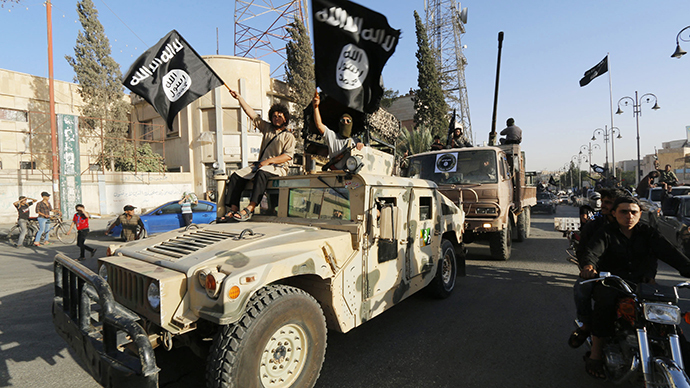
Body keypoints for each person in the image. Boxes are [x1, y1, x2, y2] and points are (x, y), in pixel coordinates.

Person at [578, 196, 690, 379]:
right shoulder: (606, 232)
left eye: (633, 212)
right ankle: (596, 355)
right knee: (604, 303)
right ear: (614, 213)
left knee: (669, 313)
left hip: (643, 284)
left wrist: (687, 268)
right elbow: (592, 252)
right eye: (624, 211)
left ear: (640, 214)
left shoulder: (648, 233)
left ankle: (683, 359)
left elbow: (670, 254)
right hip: (614, 282)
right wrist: (589, 267)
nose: (629, 215)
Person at [224, 88, 296, 222]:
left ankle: (250, 207)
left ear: (285, 118)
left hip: (277, 168)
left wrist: (268, 162)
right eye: (274, 116)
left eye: (280, 116)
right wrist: (239, 98)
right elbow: (251, 114)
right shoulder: (267, 128)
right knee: (236, 176)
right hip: (261, 165)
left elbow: (287, 156)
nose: (276, 118)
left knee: (261, 173)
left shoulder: (288, 136)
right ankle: (233, 209)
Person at [568, 188, 623, 349]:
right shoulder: (595, 226)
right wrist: (588, 267)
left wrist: (650, 275)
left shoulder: (637, 228)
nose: (603, 205)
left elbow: (651, 253)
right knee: (581, 288)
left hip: (626, 274)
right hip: (599, 272)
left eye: (608, 202)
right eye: (603, 201)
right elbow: (585, 250)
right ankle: (585, 325)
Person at [311, 91, 364, 170]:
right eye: (343, 121)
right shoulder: (332, 136)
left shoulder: (355, 140)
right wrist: (315, 107)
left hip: (349, 176)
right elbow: (319, 124)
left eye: (348, 121)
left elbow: (361, 149)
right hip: (333, 175)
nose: (345, 123)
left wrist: (361, 145)